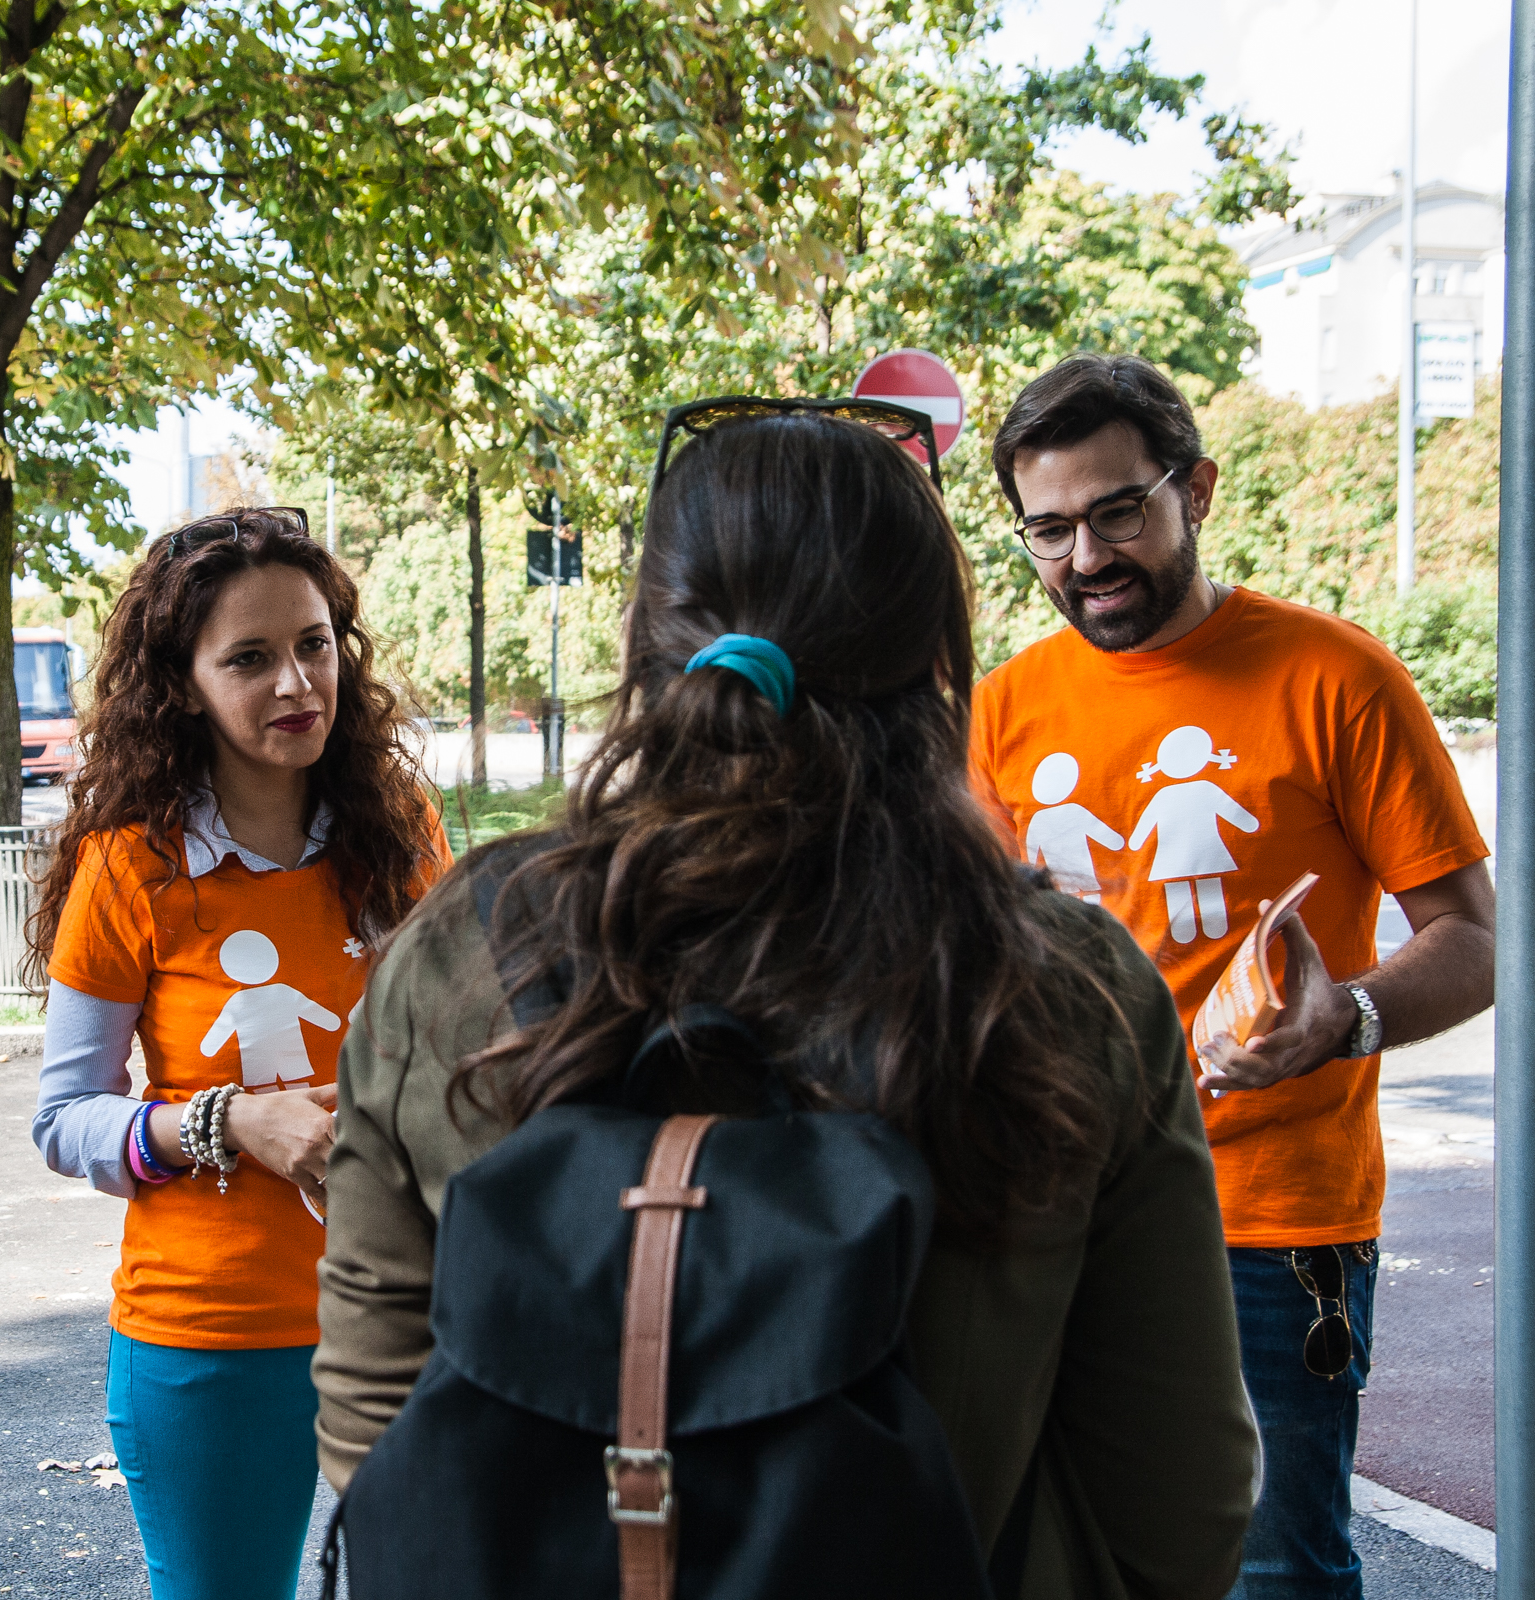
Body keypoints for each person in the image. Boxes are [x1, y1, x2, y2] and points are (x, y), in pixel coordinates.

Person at [314, 407, 1259, 1596]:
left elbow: (372, 1420)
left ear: (649, 638)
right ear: (934, 663)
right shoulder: (1065, 983)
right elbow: (1183, 1503)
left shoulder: (455, 950)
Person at [969, 353, 1494, 1599]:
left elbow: (1474, 938)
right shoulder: (999, 711)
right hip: (1053, 1204)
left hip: (1266, 1224)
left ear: (1194, 489)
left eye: (1117, 512)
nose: (1085, 557)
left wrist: (1347, 1018)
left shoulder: (1337, 676)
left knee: (1272, 1574)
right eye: (1048, 529)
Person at [28, 508, 450, 1600]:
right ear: (184, 683)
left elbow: (460, 1056)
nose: (297, 682)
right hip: (209, 1337)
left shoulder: (405, 832)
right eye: (250, 658)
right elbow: (64, 1115)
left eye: (313, 645)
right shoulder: (131, 865)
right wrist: (226, 1123)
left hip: (408, 1311)